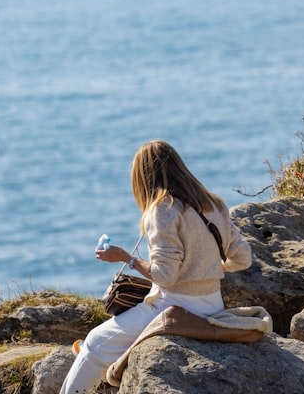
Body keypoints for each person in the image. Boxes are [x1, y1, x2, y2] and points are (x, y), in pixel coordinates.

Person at [60, 140, 253, 394]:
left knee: (95, 343)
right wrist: (210, 268)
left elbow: (165, 276)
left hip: (174, 309)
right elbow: (243, 259)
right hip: (213, 305)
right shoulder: (214, 204)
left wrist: (126, 258)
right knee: (102, 338)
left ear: (143, 179)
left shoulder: (163, 209)